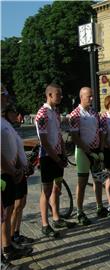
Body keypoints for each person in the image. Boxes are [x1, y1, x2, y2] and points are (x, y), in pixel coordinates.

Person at [35, 84, 75, 239]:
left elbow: (58, 135)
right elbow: (44, 141)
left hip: (58, 156)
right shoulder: (42, 114)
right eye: (58, 94)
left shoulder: (56, 112)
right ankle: (45, 224)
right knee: (46, 190)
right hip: (47, 157)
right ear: (49, 95)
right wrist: (57, 158)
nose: (61, 97)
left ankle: (56, 218)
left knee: (57, 188)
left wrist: (64, 155)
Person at [1, 85, 32, 269]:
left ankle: (7, 247)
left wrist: (20, 167)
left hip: (11, 173)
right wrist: (13, 171)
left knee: (8, 212)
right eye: (2, 96)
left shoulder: (3, 121)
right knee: (4, 214)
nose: (6, 98)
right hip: (4, 175)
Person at [69, 87, 107, 226]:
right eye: (89, 96)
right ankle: (79, 211)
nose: (92, 98)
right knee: (82, 183)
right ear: (81, 97)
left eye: (92, 96)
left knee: (98, 180)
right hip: (83, 152)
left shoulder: (94, 113)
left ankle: (99, 206)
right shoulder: (75, 114)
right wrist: (88, 151)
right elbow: (75, 136)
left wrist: (101, 150)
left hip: (96, 151)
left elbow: (101, 131)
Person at [3, 105, 35, 246]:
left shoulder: (12, 127)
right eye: (13, 112)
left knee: (21, 203)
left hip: (20, 170)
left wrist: (26, 164)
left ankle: (15, 233)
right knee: (13, 207)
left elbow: (18, 147)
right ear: (6, 113)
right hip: (12, 171)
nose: (17, 114)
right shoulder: (4, 127)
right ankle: (9, 239)